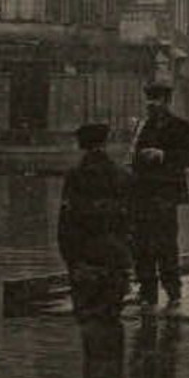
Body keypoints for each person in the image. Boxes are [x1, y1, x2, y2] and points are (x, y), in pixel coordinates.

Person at [128, 82, 189, 309]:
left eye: (156, 100)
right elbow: (135, 156)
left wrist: (163, 155)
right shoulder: (143, 126)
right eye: (149, 100)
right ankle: (147, 291)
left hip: (166, 194)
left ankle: (173, 291)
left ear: (167, 102)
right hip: (142, 193)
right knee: (141, 244)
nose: (151, 104)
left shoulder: (180, 126)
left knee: (166, 244)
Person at [58, 123, 134, 325]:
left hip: (86, 258)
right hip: (115, 259)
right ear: (105, 142)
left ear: (81, 145)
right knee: (112, 322)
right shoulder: (123, 175)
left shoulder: (75, 177)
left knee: (89, 323)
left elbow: (66, 224)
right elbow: (132, 222)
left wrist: (72, 261)